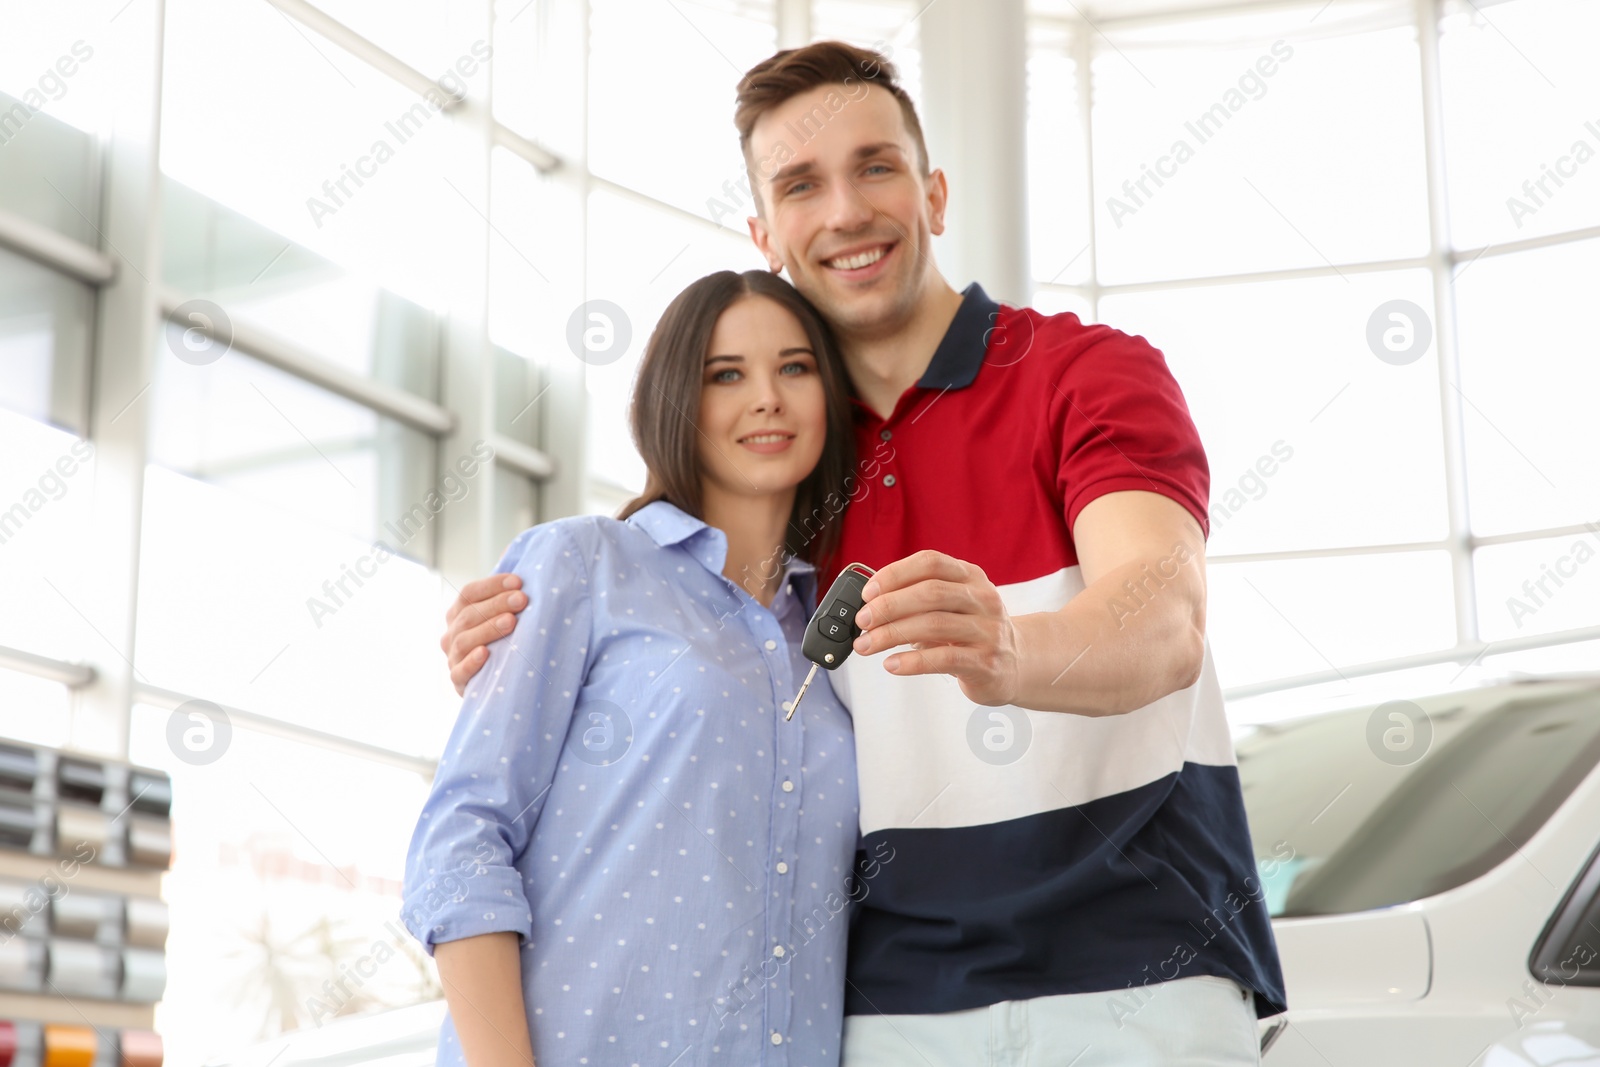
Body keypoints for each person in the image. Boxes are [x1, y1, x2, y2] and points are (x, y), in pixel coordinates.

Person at [441, 41, 1286, 1067]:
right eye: (801, 184)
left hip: (1138, 974)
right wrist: (530, 642)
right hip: (884, 1011)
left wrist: (1009, 650)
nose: (844, 210)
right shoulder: (779, 467)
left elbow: (1161, 620)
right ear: (765, 233)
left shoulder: (1083, 374)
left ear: (933, 192)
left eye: (876, 166)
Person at [402, 269, 870, 1067]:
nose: (768, 397)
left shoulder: (840, 639)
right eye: (727, 374)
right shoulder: (583, 565)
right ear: (674, 401)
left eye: (795, 368)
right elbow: (463, 837)